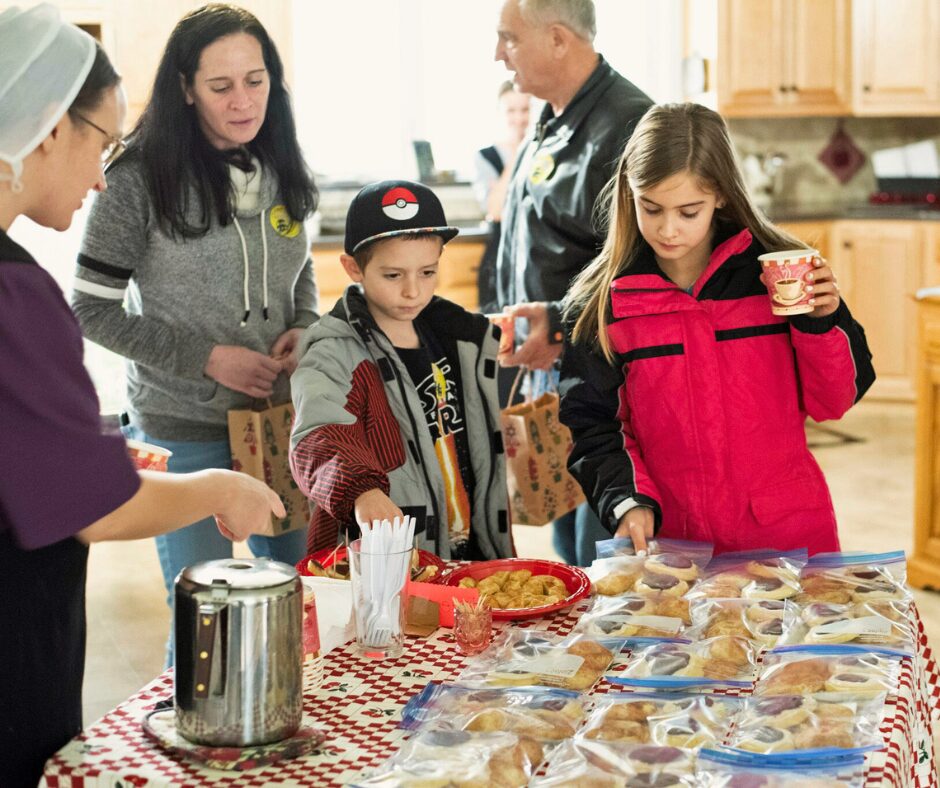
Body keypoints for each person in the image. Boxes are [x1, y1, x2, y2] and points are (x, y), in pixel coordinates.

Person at [0, 7, 284, 786]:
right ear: (49, 127)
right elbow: (94, 509)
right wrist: (219, 486)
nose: (100, 172)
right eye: (100, 140)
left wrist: (81, 450)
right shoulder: (18, 294)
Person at [71, 4, 318, 658]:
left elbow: (302, 270)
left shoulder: (284, 165)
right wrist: (207, 358)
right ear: (185, 89)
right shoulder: (136, 181)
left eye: (256, 80)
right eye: (221, 86)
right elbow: (89, 309)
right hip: (182, 432)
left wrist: (304, 325)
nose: (244, 101)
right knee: (208, 631)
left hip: (276, 424)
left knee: (293, 605)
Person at [560, 103, 876, 557]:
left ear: (722, 196)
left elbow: (834, 403)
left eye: (689, 211)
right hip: (672, 545)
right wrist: (627, 502)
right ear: (630, 195)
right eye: (652, 209)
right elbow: (592, 425)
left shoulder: (782, 276)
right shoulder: (601, 305)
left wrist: (820, 323)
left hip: (785, 536)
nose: (668, 229)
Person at [492, 0, 653, 566]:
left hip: (599, 379)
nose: (498, 54)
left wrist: (559, 324)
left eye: (509, 39)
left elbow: (644, 268)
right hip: (549, 374)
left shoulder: (630, 124)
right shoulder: (553, 114)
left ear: (558, 39)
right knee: (566, 543)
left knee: (602, 553)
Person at [290, 180, 512, 561]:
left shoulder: (458, 339)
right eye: (393, 275)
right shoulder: (334, 351)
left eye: (427, 272)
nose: (413, 291)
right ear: (352, 268)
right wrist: (360, 489)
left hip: (471, 549)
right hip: (386, 561)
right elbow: (317, 435)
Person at [472, 80, 531, 314]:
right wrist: (519, 151)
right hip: (499, 255)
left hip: (533, 252)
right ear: (500, 113)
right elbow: (495, 210)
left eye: (525, 110)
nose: (519, 118)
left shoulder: (545, 152)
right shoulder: (486, 157)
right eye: (511, 111)